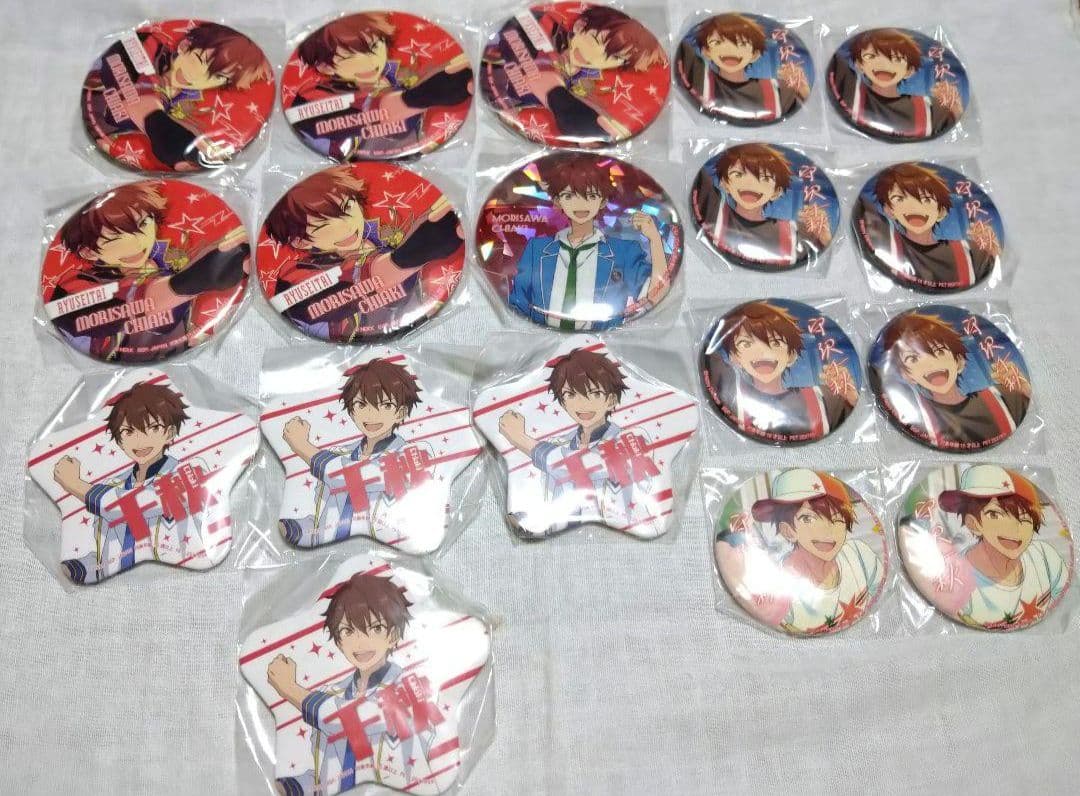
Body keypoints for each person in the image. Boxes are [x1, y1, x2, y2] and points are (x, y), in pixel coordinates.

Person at [267, 572, 440, 795]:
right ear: (339, 641)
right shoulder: (332, 693)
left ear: (394, 635)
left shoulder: (409, 689)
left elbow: (353, 722)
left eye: (376, 628)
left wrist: (290, 689)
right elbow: (330, 774)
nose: (360, 641)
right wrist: (291, 787)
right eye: (348, 631)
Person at [50, 182, 248, 361]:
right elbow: (134, 304)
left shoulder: (163, 265)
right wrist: (197, 277)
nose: (139, 243)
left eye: (144, 223)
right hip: (121, 365)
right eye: (115, 238)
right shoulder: (75, 285)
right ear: (88, 252)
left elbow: (174, 320)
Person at [263, 165, 463, 342]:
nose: (348, 226)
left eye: (348, 208)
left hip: (412, 321)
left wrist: (431, 218)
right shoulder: (294, 276)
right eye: (324, 225)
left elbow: (401, 253)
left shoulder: (378, 239)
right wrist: (425, 243)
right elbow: (371, 276)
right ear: (300, 241)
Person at [51, 382, 208, 583]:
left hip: (184, 579)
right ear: (119, 441)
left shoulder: (189, 471)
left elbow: (132, 506)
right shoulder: (114, 485)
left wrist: (74, 484)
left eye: (153, 428)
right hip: (116, 590)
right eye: (128, 432)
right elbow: (108, 554)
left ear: (169, 434)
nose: (140, 440)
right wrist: (78, 569)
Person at [498, 347, 659, 535]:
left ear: (611, 400)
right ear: (562, 402)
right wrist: (528, 520)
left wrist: (520, 438)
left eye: (595, 393)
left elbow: (577, 466)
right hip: (558, 542)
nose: (582, 403)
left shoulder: (631, 439)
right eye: (571, 394)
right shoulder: (559, 443)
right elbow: (551, 499)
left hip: (628, 535)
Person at [279, 359, 432, 547]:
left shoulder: (413, 453)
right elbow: (326, 521)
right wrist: (293, 529)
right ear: (352, 412)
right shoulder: (341, 454)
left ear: (400, 413)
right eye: (361, 405)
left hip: (389, 553)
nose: (371, 414)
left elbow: (356, 477)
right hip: (332, 557)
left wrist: (302, 446)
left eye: (385, 405)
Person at [508, 153, 667, 330]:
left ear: (603, 200)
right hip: (539, 338)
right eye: (569, 196)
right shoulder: (536, 249)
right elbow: (517, 304)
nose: (580, 204)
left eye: (590, 196)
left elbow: (655, 296)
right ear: (558, 201)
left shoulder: (624, 251)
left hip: (608, 339)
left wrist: (655, 239)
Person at [715, 469, 883, 635]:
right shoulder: (780, 593)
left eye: (837, 519)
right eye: (808, 518)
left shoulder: (858, 554)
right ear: (788, 531)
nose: (827, 531)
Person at [84, 22, 272, 169]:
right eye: (200, 60)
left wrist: (199, 144)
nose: (197, 76)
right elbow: (141, 99)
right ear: (184, 45)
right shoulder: (147, 47)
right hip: (96, 113)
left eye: (218, 77)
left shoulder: (184, 105)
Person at [289, 13, 472, 159]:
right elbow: (382, 116)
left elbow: (418, 80)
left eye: (376, 46)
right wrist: (426, 94)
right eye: (350, 56)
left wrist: (448, 68)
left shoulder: (388, 75)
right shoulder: (310, 100)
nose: (371, 62)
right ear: (325, 66)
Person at [483, 5, 666, 143]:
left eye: (615, 57)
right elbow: (510, 39)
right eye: (596, 40)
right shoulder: (543, 27)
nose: (594, 56)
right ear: (580, 25)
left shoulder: (585, 86)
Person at [924, 465, 1069, 630]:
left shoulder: (1044, 556)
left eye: (1024, 518)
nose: (1014, 528)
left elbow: (1065, 603)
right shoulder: (956, 580)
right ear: (973, 524)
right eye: (995, 515)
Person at [705, 301, 857, 442]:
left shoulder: (823, 398)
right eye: (746, 344)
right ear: (734, 357)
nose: (763, 353)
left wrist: (851, 400)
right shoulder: (728, 388)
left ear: (791, 356)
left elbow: (850, 419)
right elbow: (708, 353)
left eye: (776, 343)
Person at [879, 312, 1029, 447]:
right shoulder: (911, 413)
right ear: (907, 375)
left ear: (959, 362)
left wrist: (1023, 389)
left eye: (939, 351)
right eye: (913, 359)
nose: (930, 364)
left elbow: (1028, 403)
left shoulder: (1003, 398)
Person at [856, 162, 998, 289]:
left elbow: (993, 267)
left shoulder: (972, 253)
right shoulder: (884, 239)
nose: (914, 208)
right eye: (899, 199)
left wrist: (990, 249)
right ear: (889, 210)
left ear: (941, 211)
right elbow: (862, 208)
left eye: (926, 199)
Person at [692, 143, 831, 268]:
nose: (750, 184)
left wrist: (823, 237)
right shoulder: (714, 209)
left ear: (776, 192)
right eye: (738, 174)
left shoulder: (794, 232)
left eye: (765, 178)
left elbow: (823, 251)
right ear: (724, 183)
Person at [828, 27, 962, 139]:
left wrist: (953, 110)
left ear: (909, 70)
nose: (883, 65)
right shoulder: (851, 90)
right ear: (859, 64)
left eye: (897, 59)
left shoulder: (928, 110)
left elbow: (951, 117)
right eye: (871, 56)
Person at [677, 13, 809, 123]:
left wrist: (802, 91)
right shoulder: (701, 78)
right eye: (717, 42)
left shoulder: (777, 91)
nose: (730, 50)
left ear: (755, 54)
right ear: (706, 51)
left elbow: (804, 111)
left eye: (742, 43)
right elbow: (681, 51)